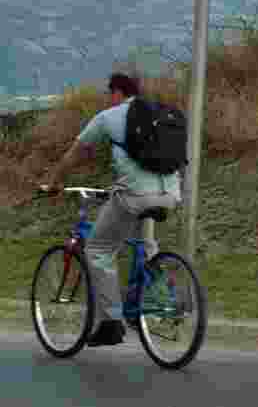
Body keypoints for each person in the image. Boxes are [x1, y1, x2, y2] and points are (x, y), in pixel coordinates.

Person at [42, 73, 182, 347]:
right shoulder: (160, 114)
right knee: (146, 244)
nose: (108, 99)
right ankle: (162, 299)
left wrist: (54, 183)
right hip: (170, 194)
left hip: (134, 195)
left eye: (109, 94)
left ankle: (111, 322)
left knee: (98, 250)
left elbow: (75, 153)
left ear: (117, 92)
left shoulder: (109, 116)